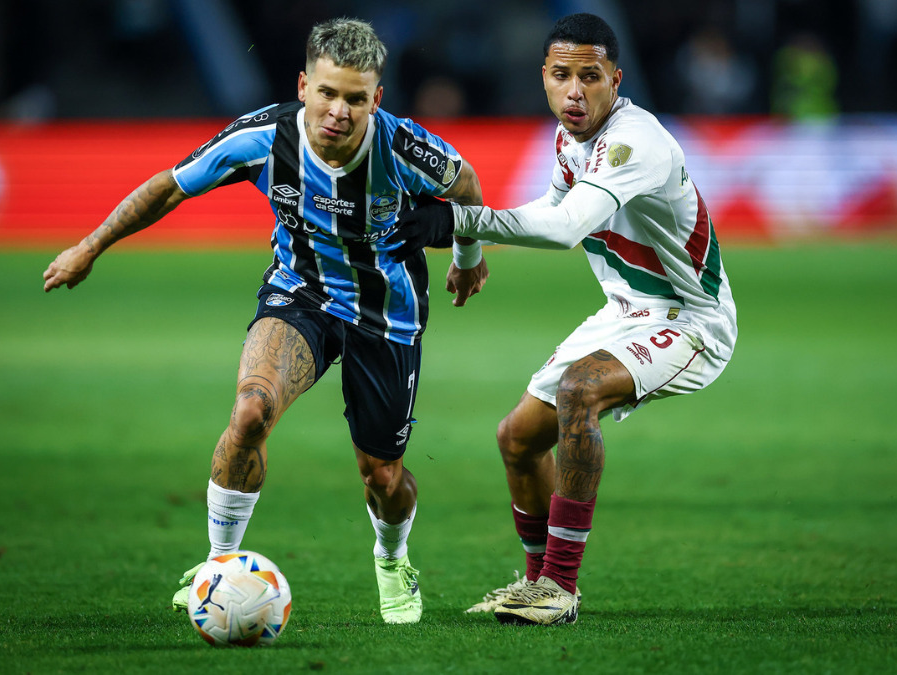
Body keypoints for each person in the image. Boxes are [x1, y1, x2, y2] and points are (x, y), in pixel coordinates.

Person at [42, 17, 490, 625]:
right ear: (304, 85)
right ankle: (217, 568)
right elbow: (170, 187)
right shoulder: (262, 138)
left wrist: (468, 258)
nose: (339, 111)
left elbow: (465, 185)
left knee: (382, 476)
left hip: (386, 315)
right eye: (327, 93)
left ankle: (393, 558)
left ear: (376, 99)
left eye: (356, 98)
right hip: (298, 294)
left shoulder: (403, 146)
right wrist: (90, 246)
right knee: (250, 411)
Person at [389, 13, 737, 626]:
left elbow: (566, 227)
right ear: (543, 79)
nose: (574, 91)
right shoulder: (568, 140)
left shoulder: (636, 143)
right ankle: (534, 585)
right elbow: (551, 205)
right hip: (623, 311)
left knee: (580, 391)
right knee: (517, 439)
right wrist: (473, 244)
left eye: (589, 76)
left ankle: (561, 587)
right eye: (560, 76)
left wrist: (456, 223)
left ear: (615, 79)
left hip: (689, 320)